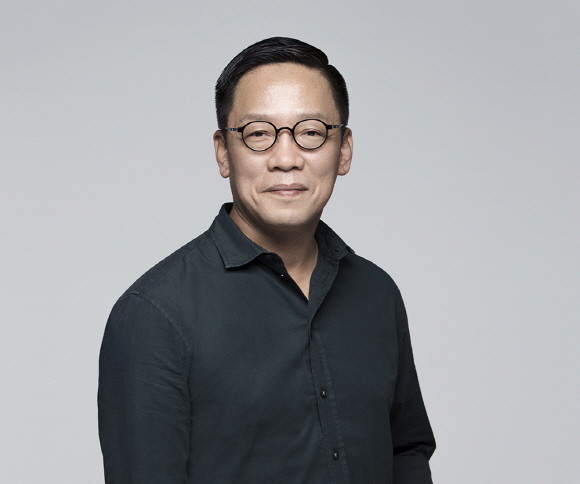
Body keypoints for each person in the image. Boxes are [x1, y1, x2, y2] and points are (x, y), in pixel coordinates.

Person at [98, 36, 435, 483]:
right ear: (223, 152)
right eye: (259, 134)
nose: (286, 158)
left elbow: (406, 452)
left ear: (344, 150)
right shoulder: (155, 315)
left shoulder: (376, 293)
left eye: (311, 132)